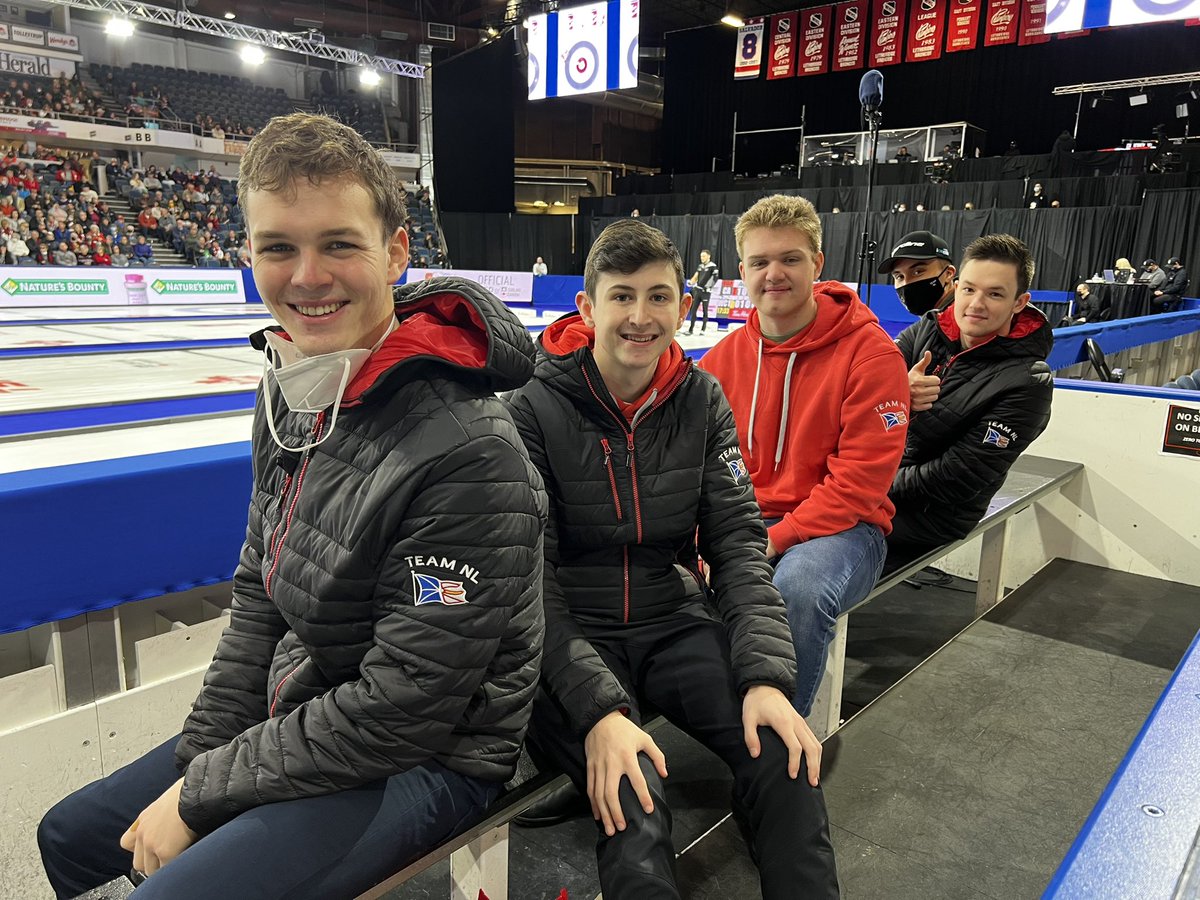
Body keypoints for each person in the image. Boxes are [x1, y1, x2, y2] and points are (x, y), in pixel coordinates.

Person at [38, 112, 547, 900]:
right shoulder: (290, 388)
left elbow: (401, 711)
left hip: (435, 754)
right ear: (249, 255)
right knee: (70, 836)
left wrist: (201, 794)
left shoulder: (470, 450)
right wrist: (205, 755)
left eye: (339, 243)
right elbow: (258, 592)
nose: (308, 275)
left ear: (397, 251)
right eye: (279, 247)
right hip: (310, 703)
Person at [505, 218, 839, 898]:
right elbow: (527, 582)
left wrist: (766, 676)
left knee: (779, 751)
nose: (640, 316)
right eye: (622, 296)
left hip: (672, 619)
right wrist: (600, 713)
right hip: (572, 638)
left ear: (683, 307)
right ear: (588, 309)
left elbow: (739, 544)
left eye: (658, 297)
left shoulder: (700, 398)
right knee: (636, 792)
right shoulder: (532, 407)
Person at [699, 195, 910, 716]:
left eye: (790, 259)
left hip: (843, 529)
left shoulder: (873, 355)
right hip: (747, 522)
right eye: (760, 261)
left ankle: (780, 753)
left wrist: (772, 540)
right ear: (741, 270)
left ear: (816, 264)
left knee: (798, 588)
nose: (774, 273)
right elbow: (700, 468)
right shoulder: (720, 361)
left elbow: (858, 486)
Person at [886, 234, 1054, 560]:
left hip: (932, 515)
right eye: (969, 289)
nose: (976, 304)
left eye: (994, 294)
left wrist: (869, 482)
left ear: (1019, 302)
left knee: (806, 538)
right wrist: (897, 392)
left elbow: (956, 478)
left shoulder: (1030, 382)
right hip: (875, 482)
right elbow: (860, 390)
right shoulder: (928, 328)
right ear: (957, 284)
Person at [878, 230, 956, 316]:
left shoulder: (965, 320)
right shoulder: (929, 323)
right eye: (900, 276)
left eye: (917, 272)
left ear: (948, 274)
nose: (906, 283)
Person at [685, 247, 720, 334]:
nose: (702, 258)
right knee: (693, 310)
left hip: (706, 292)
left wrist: (709, 287)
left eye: (703, 256)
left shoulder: (713, 266)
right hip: (698, 291)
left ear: (709, 256)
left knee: (705, 310)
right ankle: (690, 330)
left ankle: (703, 329)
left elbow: (715, 279)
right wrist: (691, 282)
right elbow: (696, 276)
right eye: (701, 256)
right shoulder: (700, 266)